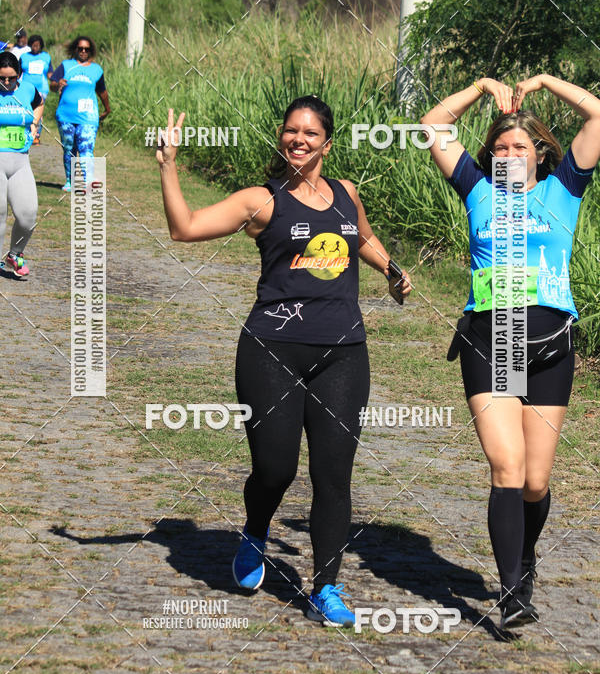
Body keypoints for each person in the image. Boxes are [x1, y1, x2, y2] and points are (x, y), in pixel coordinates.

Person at [157, 96, 410, 627]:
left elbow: (360, 236)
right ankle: (254, 531)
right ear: (282, 137)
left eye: (310, 134)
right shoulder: (262, 201)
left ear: (327, 143)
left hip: (343, 353)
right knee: (276, 468)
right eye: (291, 132)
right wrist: (170, 165)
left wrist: (391, 269)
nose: (299, 140)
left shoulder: (346, 194)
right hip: (271, 350)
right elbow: (184, 227)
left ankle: (327, 587)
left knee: (333, 475)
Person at [422, 75, 600, 629]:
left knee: (535, 482)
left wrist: (546, 82)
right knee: (507, 467)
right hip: (492, 340)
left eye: (519, 146)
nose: (507, 154)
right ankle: (510, 593)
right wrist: (478, 87)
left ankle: (525, 558)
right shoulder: (478, 189)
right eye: (499, 146)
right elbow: (431, 126)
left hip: (550, 346)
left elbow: (598, 116)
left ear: (540, 153)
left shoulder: (563, 189)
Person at [0, 51, 43, 278]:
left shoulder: (27, 89)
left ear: (19, 75)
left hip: (20, 162)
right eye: (2, 78)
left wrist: (35, 122)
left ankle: (15, 254)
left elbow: (39, 103)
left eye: (11, 78)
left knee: (28, 215)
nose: (6, 83)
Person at [49, 36, 110, 191]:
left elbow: (102, 91)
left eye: (86, 49)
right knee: (69, 148)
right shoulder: (66, 65)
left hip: (88, 116)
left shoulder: (97, 69)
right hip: (66, 115)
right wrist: (58, 84)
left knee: (86, 147)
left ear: (91, 51)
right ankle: (70, 180)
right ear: (75, 49)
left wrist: (107, 108)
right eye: (80, 48)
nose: (83, 51)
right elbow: (53, 85)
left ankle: (87, 180)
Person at [20, 35, 53, 145]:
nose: (35, 47)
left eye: (37, 46)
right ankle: (25, 133)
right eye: (33, 45)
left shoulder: (46, 56)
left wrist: (56, 82)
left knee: (38, 113)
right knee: (26, 111)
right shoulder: (24, 57)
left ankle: (36, 136)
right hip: (26, 88)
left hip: (41, 89)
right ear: (30, 45)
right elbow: (18, 72)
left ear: (41, 46)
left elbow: (50, 73)